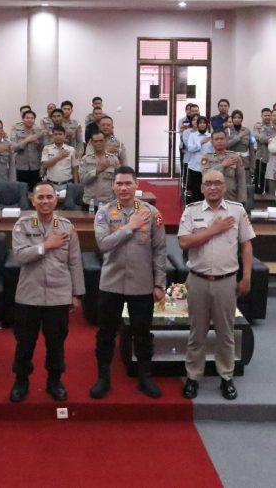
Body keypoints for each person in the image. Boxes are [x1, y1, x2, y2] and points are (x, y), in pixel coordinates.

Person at [90, 166, 167, 400]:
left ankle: (145, 377)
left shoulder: (152, 213)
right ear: (113, 186)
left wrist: (159, 283)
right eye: (119, 184)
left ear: (136, 185)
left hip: (142, 284)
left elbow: (160, 250)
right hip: (111, 283)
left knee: (142, 333)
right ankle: (103, 378)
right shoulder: (103, 212)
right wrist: (130, 226)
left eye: (128, 183)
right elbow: (103, 244)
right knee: (106, 334)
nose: (123, 188)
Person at [177, 169, 254, 401]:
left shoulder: (237, 211)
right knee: (197, 333)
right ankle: (193, 377)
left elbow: (247, 245)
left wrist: (247, 276)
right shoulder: (191, 211)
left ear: (224, 187)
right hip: (198, 280)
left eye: (217, 183)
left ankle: (226, 377)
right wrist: (214, 230)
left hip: (226, 282)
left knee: (226, 333)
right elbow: (184, 242)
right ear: (201, 188)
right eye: (208, 183)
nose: (212, 187)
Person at [9, 182, 84, 402]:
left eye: (49, 197)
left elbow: (75, 262)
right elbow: (20, 256)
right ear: (33, 201)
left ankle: (54, 381)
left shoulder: (66, 227)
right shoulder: (22, 225)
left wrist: (76, 294)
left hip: (58, 295)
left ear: (56, 199)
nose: (45, 201)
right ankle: (21, 381)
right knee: (25, 343)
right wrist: (46, 245)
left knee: (56, 344)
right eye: (40, 197)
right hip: (29, 295)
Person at [202, 129, 247, 205]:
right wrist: (223, 165)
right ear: (212, 142)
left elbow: (241, 180)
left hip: (231, 199)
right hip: (212, 199)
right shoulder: (206, 157)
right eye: (216, 139)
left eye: (222, 139)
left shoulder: (235, 157)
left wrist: (241, 200)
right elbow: (205, 174)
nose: (219, 141)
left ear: (226, 140)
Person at [79, 132, 118, 207]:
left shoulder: (113, 159)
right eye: (96, 141)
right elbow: (82, 181)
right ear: (92, 143)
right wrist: (97, 171)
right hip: (90, 203)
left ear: (105, 141)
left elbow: (117, 181)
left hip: (108, 202)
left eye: (101, 141)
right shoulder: (85, 159)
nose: (98, 143)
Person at [11, 109, 43, 191]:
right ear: (23, 119)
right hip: (21, 167)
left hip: (35, 167)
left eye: (32, 118)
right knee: (21, 192)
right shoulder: (16, 131)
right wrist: (27, 140)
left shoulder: (39, 132)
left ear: (34, 120)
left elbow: (42, 149)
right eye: (27, 118)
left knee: (35, 191)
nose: (29, 120)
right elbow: (13, 148)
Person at [184, 116, 214, 203]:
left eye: (204, 123)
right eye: (200, 123)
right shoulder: (192, 135)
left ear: (207, 125)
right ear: (197, 125)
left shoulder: (210, 136)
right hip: (194, 167)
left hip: (207, 168)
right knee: (195, 191)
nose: (202, 124)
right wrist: (200, 142)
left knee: (206, 190)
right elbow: (190, 148)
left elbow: (213, 151)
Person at [252, 108, 274, 193]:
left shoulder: (275, 127)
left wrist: (264, 138)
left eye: (269, 115)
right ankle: (258, 193)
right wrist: (269, 139)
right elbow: (258, 137)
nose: (267, 117)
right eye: (265, 115)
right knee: (259, 176)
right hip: (260, 156)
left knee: (270, 177)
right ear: (261, 116)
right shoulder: (257, 126)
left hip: (272, 156)